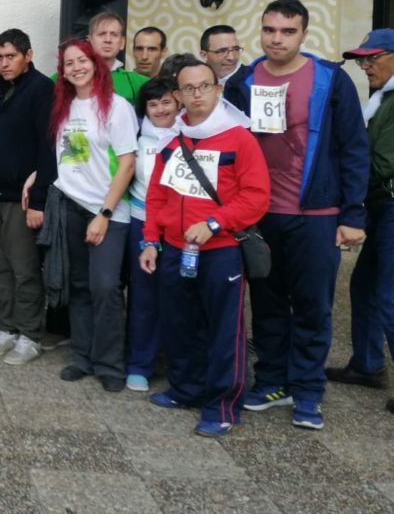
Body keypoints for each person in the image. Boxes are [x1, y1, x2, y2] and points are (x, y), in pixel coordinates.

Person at [224, 0, 368, 430]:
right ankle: (272, 381)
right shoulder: (245, 80)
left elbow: (353, 148)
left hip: (317, 212)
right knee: (266, 302)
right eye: (269, 30)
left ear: (304, 33)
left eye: (287, 31)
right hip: (261, 215)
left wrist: (353, 214)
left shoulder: (329, 79)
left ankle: (307, 390)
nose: (277, 39)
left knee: (312, 304)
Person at [139, 60, 271, 437]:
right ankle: (186, 390)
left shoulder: (239, 138)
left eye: (204, 86)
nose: (197, 94)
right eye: (189, 88)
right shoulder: (173, 138)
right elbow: (157, 195)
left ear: (218, 89)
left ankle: (223, 405)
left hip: (221, 251)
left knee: (223, 330)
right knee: (180, 324)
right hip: (176, 249)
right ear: (178, 95)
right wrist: (150, 239)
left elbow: (256, 197)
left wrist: (215, 223)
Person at [50, 39, 137, 392]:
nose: (76, 68)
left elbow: (128, 163)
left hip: (107, 210)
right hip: (70, 205)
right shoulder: (63, 107)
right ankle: (82, 357)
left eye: (82, 60)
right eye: (69, 63)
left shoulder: (117, 107)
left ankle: (110, 364)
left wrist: (104, 212)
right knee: (80, 286)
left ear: (96, 63)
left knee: (106, 287)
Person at [0, 29, 56, 364]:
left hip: (20, 199)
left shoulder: (42, 90)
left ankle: (30, 336)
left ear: (29, 55)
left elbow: (47, 147)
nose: (4, 63)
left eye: (11, 56)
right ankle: (7, 327)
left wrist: (37, 200)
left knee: (24, 269)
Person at [327, 29, 394, 414]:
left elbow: (376, 160)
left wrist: (345, 195)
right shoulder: (380, 98)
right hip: (380, 205)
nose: (365, 65)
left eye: (372, 58)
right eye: (361, 60)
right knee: (365, 286)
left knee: (387, 295)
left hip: (388, 204)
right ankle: (368, 366)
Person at [124, 76, 181, 390]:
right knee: (144, 297)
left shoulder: (191, 135)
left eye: (166, 102)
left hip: (182, 228)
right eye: (153, 103)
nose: (161, 109)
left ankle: (178, 363)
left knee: (179, 296)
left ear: (178, 102)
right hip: (141, 221)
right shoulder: (135, 137)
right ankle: (139, 364)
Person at [87, 11, 148, 105]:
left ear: (122, 43)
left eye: (114, 34)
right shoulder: (70, 76)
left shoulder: (139, 82)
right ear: (90, 41)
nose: (108, 40)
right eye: (101, 34)